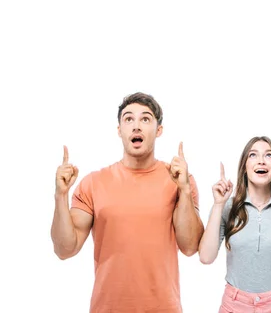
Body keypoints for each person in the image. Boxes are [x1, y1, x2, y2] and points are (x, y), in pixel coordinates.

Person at [51, 92, 204, 313]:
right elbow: (65, 249)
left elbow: (190, 247)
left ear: (158, 130)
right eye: (128, 119)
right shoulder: (93, 183)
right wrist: (60, 196)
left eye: (146, 119)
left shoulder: (180, 180)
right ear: (119, 130)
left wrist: (184, 190)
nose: (136, 126)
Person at [199, 135, 271, 313]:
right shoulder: (227, 207)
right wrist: (218, 204)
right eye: (253, 155)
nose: (261, 161)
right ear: (244, 166)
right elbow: (206, 257)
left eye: (269, 155)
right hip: (235, 305)